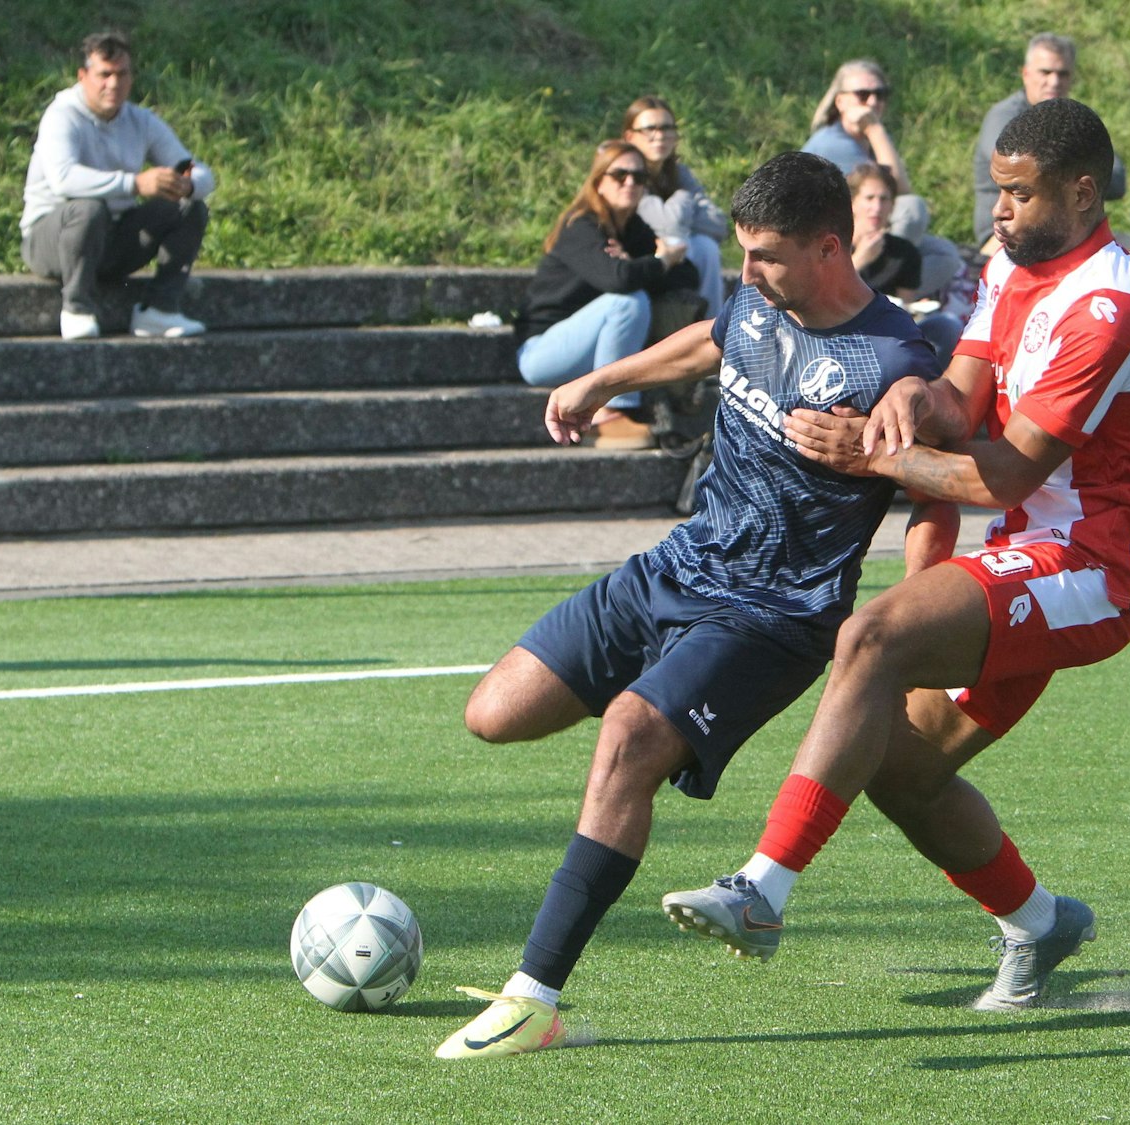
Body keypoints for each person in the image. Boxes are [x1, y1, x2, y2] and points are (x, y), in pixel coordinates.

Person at [664, 96, 1130, 1013]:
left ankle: (763, 890)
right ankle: (1038, 922)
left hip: (1094, 568)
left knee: (869, 638)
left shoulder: (1109, 311)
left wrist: (874, 452)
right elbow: (958, 398)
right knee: (899, 767)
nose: (998, 211)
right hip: (1029, 555)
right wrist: (905, 399)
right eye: (996, 191)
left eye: (1018, 195)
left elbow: (1008, 476)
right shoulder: (1017, 268)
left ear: (1084, 193)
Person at [436, 151, 939, 1059]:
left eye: (767, 257)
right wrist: (603, 380)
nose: (746, 274)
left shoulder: (893, 357)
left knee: (626, 735)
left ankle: (534, 994)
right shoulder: (758, 299)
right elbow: (716, 334)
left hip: (775, 614)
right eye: (742, 253)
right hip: (678, 567)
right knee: (494, 712)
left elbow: (942, 442)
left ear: (830, 248)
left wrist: (889, 435)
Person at [973, 33, 1130, 384]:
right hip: (1010, 235)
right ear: (1025, 73)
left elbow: (1116, 179)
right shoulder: (1005, 117)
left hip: (1073, 232)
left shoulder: (1075, 121)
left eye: (1063, 74)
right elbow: (1023, 173)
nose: (1053, 81)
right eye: (1045, 72)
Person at [20, 30, 215, 341]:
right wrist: (135, 184)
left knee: (189, 208)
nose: (113, 83)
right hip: (50, 241)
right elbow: (64, 179)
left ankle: (160, 310)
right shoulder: (61, 116)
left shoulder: (141, 121)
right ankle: (76, 309)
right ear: (83, 76)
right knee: (87, 209)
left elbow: (196, 170)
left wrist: (186, 184)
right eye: (104, 74)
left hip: (111, 240)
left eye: (122, 74)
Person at [514, 139, 701, 450]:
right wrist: (659, 261)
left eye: (639, 177)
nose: (630, 183)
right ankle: (608, 414)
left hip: (590, 351)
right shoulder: (580, 226)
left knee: (633, 296)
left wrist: (641, 265)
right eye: (619, 175)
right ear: (599, 181)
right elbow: (620, 280)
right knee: (627, 303)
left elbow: (687, 275)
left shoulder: (632, 229)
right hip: (542, 352)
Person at [804, 58, 964, 298]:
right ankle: (877, 286)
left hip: (858, 230)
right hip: (825, 241)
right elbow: (899, 191)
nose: (873, 102)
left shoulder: (862, 140)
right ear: (840, 101)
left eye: (880, 94)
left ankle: (892, 295)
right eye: (862, 94)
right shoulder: (835, 142)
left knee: (944, 254)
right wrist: (875, 129)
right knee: (912, 209)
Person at [622, 96, 729, 319]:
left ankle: (714, 328)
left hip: (672, 253)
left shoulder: (679, 173)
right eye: (650, 129)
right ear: (630, 136)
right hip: (635, 253)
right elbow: (670, 225)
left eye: (667, 128)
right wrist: (684, 199)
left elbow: (718, 224)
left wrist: (680, 215)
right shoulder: (627, 175)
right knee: (682, 242)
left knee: (706, 246)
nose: (659, 135)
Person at [849, 162, 960, 369]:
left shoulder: (903, 252)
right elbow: (823, 291)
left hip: (888, 332)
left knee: (947, 326)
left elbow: (905, 311)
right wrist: (861, 259)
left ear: (892, 206)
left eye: (884, 199)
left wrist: (913, 308)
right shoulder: (835, 244)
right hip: (843, 331)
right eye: (869, 198)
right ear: (853, 202)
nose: (877, 207)